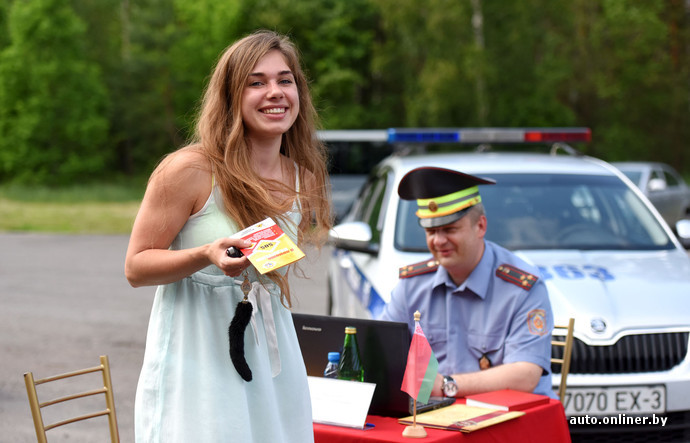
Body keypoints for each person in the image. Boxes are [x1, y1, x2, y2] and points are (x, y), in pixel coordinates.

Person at [124, 30, 331, 443]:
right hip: (197, 353)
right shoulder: (189, 169)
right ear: (231, 95)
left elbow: (269, 271)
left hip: (272, 355)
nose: (275, 92)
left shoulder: (303, 179)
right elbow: (136, 267)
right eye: (257, 82)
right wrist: (205, 253)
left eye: (285, 80)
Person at [378, 166, 555, 399]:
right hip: (433, 415)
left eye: (450, 229)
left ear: (480, 226)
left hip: (507, 415)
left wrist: (446, 385)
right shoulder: (412, 285)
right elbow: (381, 350)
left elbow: (525, 375)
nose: (439, 241)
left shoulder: (522, 287)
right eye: (431, 231)